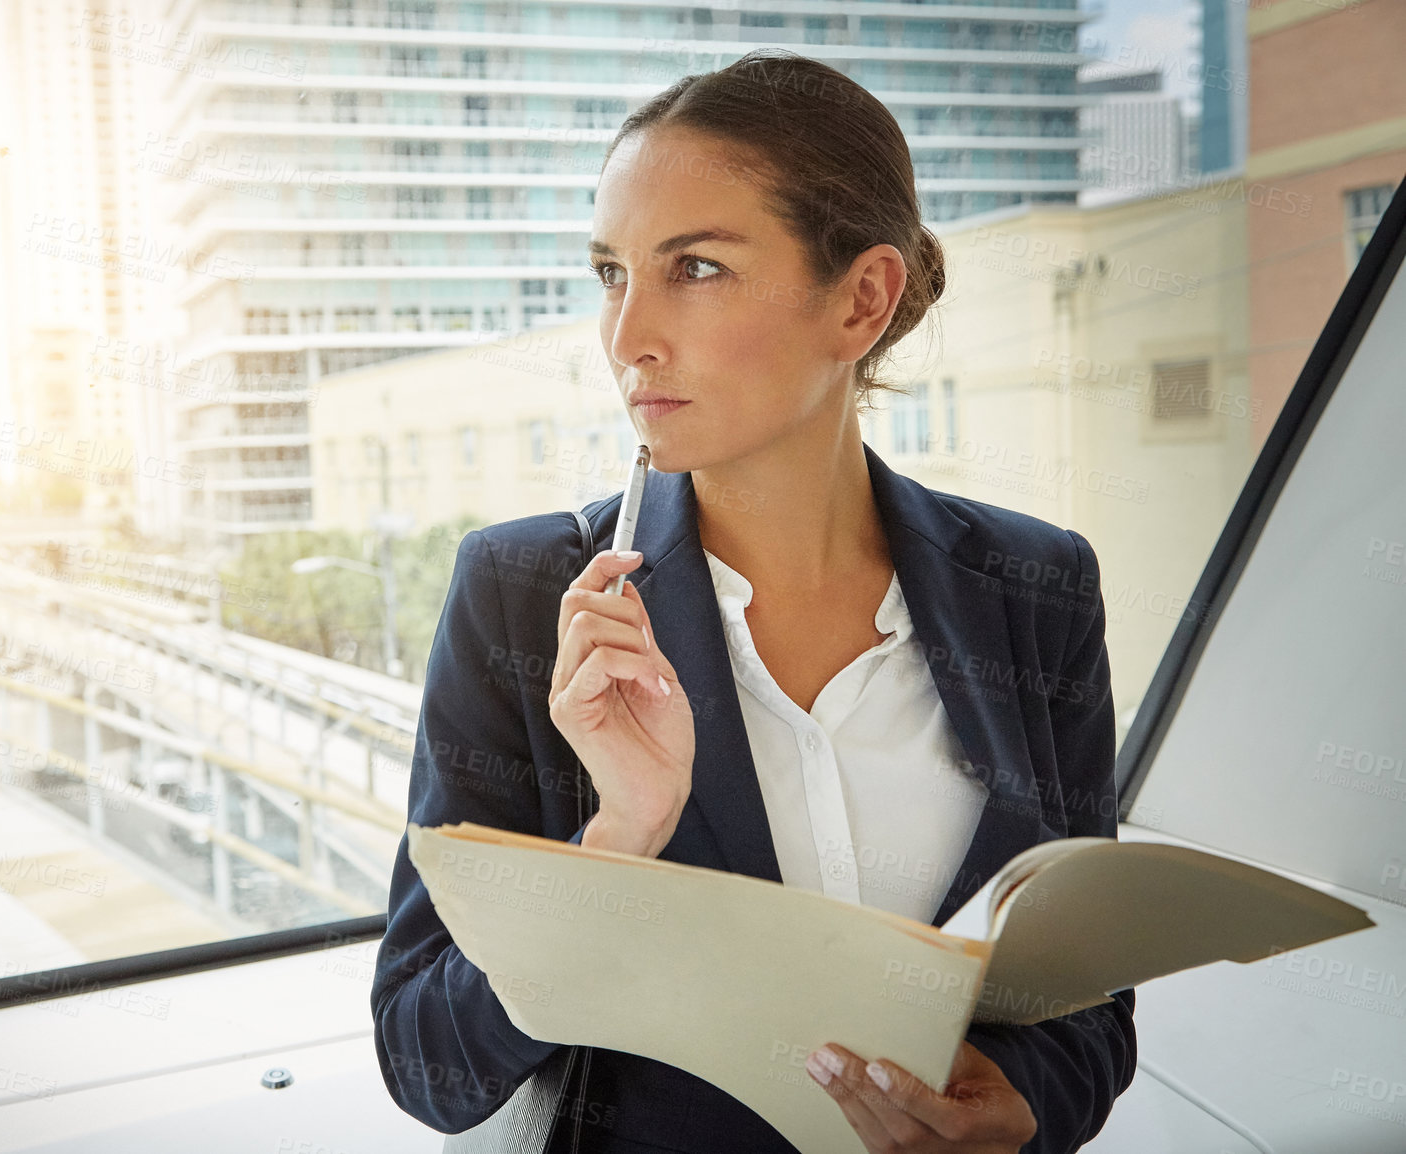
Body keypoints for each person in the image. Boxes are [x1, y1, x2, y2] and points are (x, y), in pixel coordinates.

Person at [372, 48, 1136, 1154]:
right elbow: (422, 1056)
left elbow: (1088, 1006)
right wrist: (616, 840)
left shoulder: (1037, 585)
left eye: (695, 268)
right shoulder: (522, 591)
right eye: (611, 273)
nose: (626, 334)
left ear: (861, 299)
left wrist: (1017, 1111)